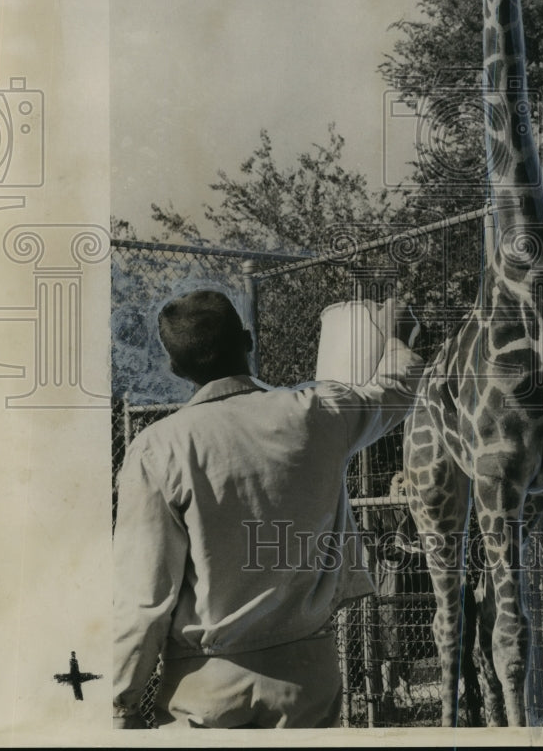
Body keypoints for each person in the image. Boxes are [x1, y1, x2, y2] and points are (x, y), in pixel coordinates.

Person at [113, 288, 422, 729]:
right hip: (309, 682)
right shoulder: (317, 412)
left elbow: (142, 599)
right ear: (249, 340)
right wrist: (398, 340)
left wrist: (121, 704)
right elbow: (394, 389)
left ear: (175, 367)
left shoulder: (158, 450)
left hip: (207, 692)